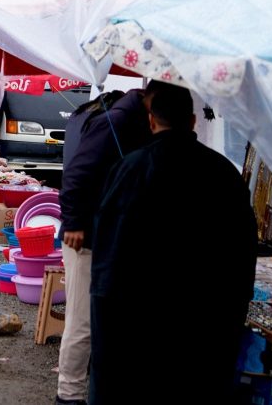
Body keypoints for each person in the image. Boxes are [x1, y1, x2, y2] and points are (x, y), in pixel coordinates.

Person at [89, 82, 256, 404]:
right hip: (204, 323)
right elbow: (242, 254)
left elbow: (108, 252)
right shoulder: (224, 174)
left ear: (151, 121)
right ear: (193, 121)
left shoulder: (131, 168)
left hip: (137, 321)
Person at [55, 89, 150, 405]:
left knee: (93, 319)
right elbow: (76, 174)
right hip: (85, 237)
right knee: (82, 320)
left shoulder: (121, 116)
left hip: (102, 235)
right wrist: (74, 223)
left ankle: (90, 387)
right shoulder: (117, 120)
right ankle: (68, 396)